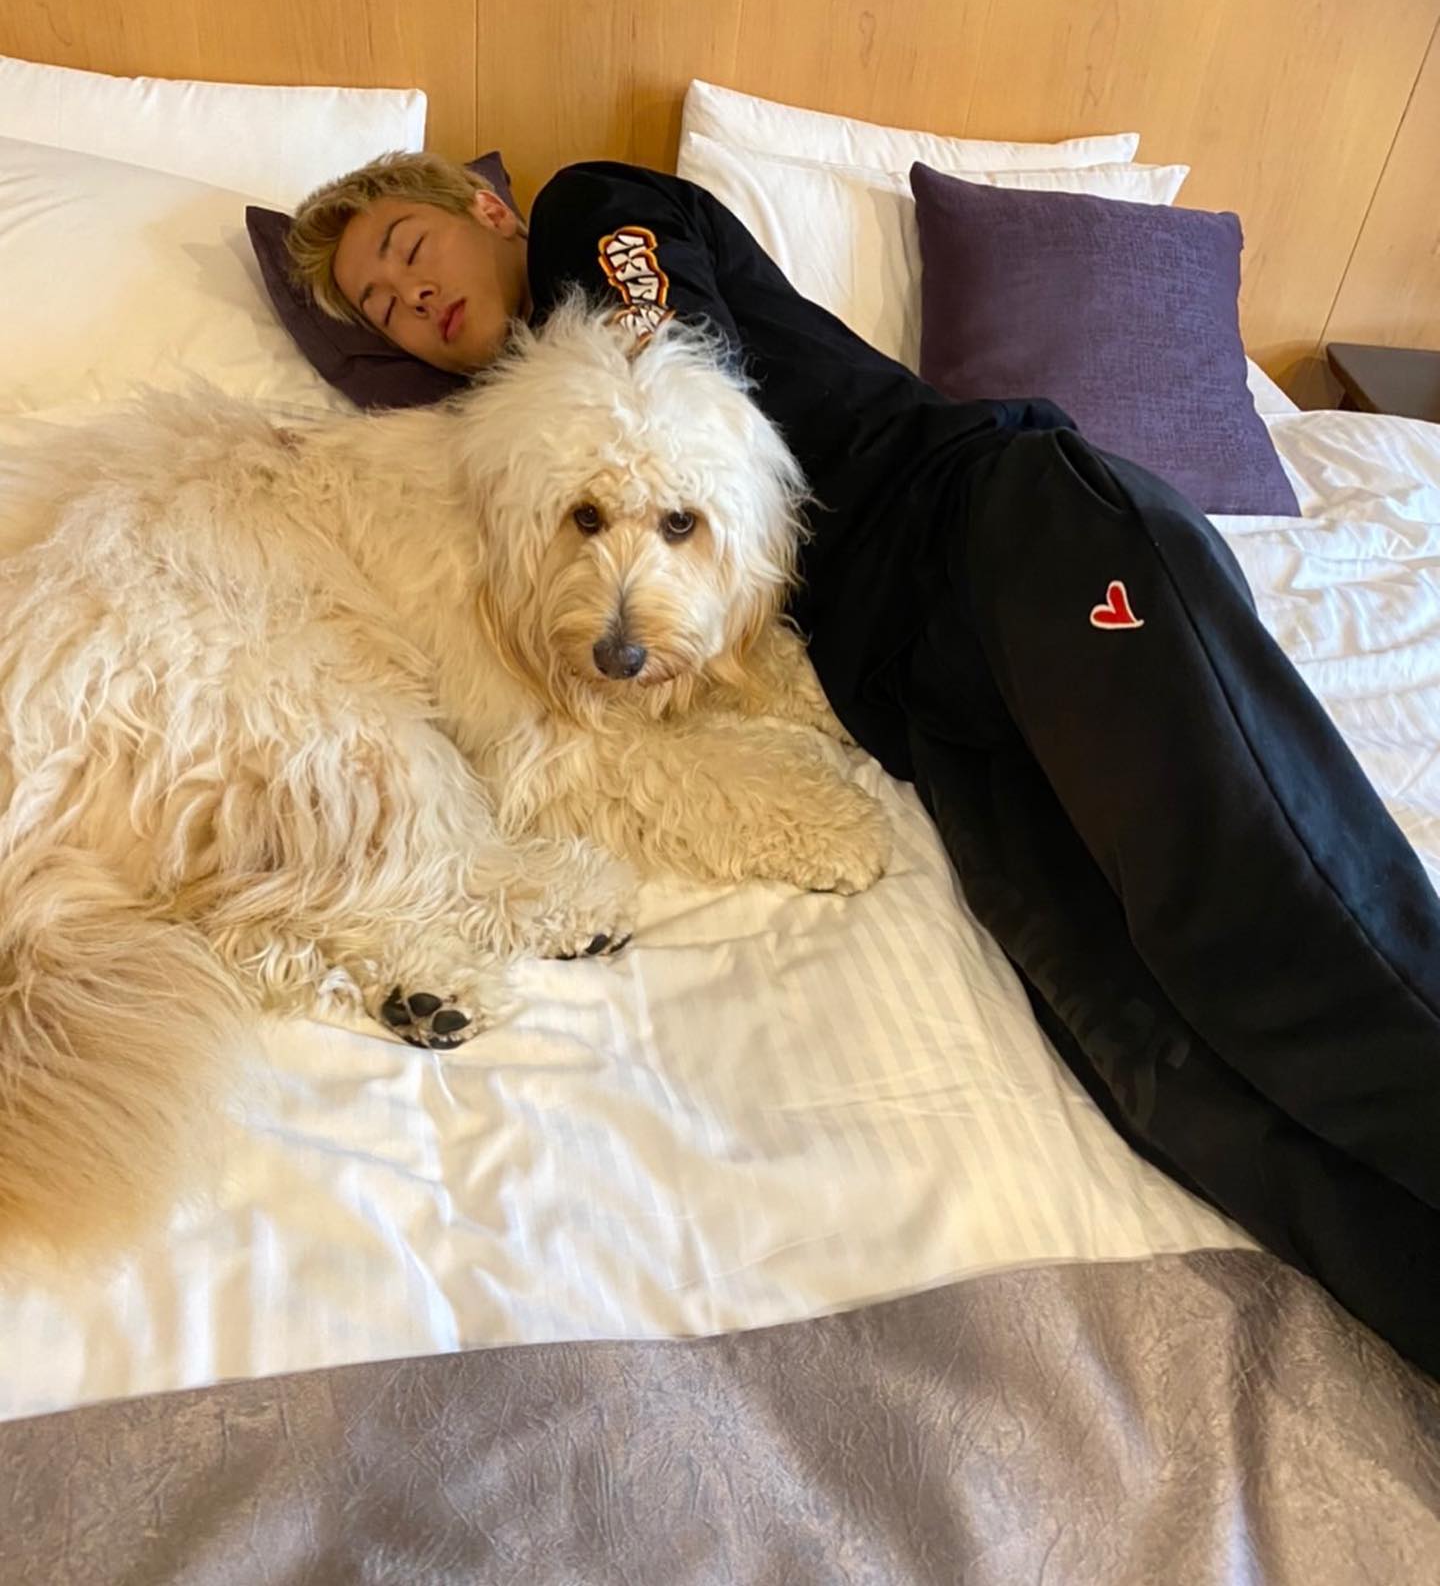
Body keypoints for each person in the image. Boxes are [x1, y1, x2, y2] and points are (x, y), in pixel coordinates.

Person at [289, 152, 1440, 1375]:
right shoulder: (506, 460)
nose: (409, 299)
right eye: (379, 306)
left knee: (1270, 913)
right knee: (1157, 1069)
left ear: (484, 207)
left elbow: (681, 386)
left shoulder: (593, 219)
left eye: (407, 251)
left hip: (1003, 529)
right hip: (918, 704)